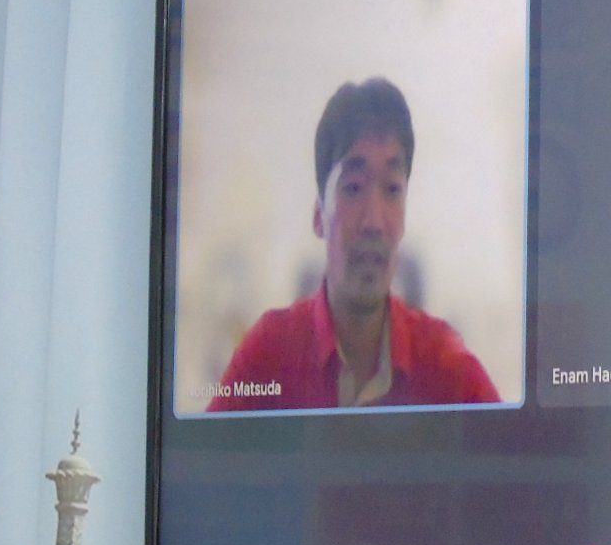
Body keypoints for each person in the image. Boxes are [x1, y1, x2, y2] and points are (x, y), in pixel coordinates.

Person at [208, 77, 501, 411]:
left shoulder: (444, 365)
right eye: (353, 188)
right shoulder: (269, 355)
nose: (374, 222)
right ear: (319, 215)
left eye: (392, 190)